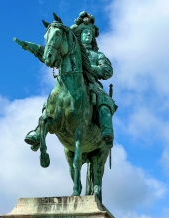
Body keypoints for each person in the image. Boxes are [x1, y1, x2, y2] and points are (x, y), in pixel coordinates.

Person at [24, 11, 117, 150]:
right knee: (49, 101)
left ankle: (106, 130)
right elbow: (52, 56)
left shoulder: (98, 55)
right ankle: (38, 132)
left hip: (91, 84)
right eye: (84, 33)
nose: (87, 35)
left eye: (90, 33)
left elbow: (108, 71)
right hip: (67, 83)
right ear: (79, 35)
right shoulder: (69, 50)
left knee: (104, 101)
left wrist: (91, 68)